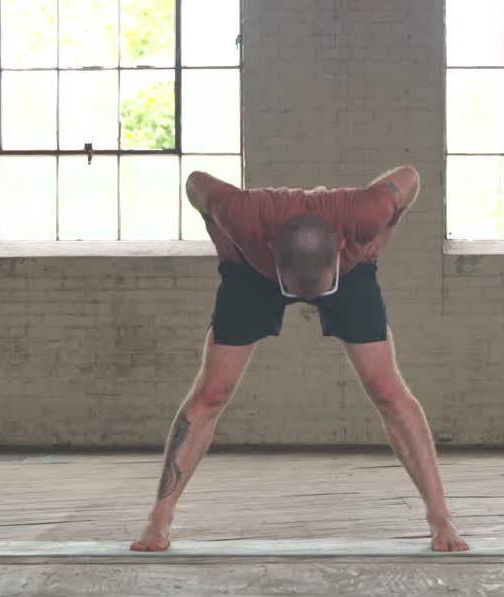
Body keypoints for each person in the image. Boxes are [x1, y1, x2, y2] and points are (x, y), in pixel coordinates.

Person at [130, 165, 468, 553]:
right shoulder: (240, 214)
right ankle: (159, 517)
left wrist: (388, 229)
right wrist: (216, 231)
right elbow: (194, 183)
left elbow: (410, 177)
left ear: (341, 244)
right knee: (211, 392)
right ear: (272, 250)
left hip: (349, 272)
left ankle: (440, 517)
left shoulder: (364, 213)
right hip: (252, 273)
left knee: (388, 390)